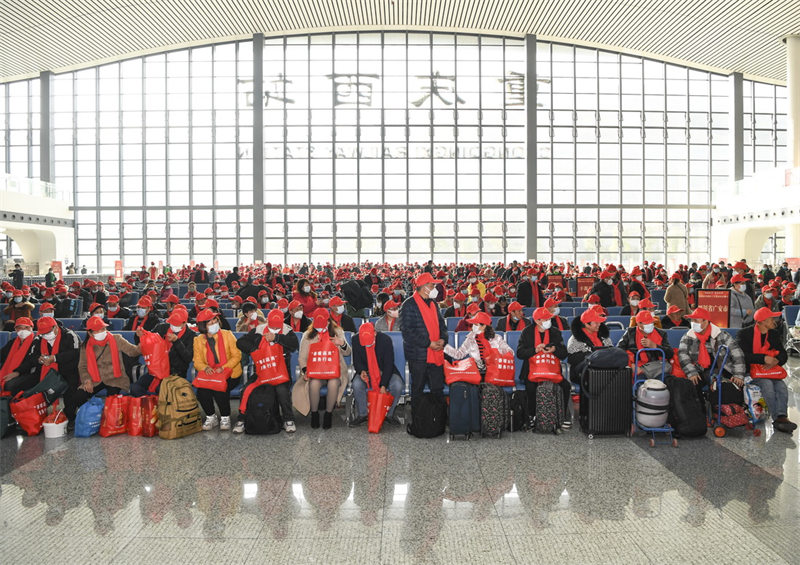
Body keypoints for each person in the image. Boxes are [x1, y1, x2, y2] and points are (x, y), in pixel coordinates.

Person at [235, 309, 299, 434]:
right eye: (272, 325)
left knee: (282, 391)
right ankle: (242, 419)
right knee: (246, 389)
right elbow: (240, 342)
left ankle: (288, 419)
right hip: (262, 372)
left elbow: (294, 344)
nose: (275, 327)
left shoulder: (287, 330)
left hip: (281, 373)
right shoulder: (259, 330)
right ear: (268, 321)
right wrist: (255, 350)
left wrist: (277, 338)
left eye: (277, 325)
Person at [736, 308, 795, 434]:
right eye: (771, 319)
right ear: (762, 321)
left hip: (770, 371)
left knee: (782, 387)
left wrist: (776, 360)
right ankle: (777, 419)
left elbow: (783, 353)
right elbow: (741, 355)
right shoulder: (744, 334)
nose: (774, 321)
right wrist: (763, 359)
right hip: (751, 371)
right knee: (767, 384)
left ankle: (782, 416)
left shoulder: (773, 334)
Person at [677, 307, 746, 405]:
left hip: (723, 369)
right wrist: (691, 372)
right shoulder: (688, 336)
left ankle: (728, 413)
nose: (693, 323)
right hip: (700, 370)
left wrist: (738, 375)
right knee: (692, 386)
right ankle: (702, 413)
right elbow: (683, 355)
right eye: (692, 320)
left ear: (705, 322)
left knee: (730, 387)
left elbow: (737, 353)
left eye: (696, 320)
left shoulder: (722, 335)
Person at [399, 273, 448, 410]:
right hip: (418, 356)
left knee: (437, 389)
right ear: (425, 287)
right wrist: (428, 343)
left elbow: (442, 325)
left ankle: (438, 420)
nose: (435, 288)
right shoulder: (408, 305)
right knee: (418, 389)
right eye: (433, 285)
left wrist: (443, 340)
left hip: (436, 353)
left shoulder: (434, 304)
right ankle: (419, 421)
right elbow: (407, 332)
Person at [516, 307, 570, 427]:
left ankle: (561, 415)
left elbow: (564, 353)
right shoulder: (527, 332)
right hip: (531, 370)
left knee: (566, 386)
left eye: (549, 318)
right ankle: (533, 416)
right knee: (531, 386)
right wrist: (535, 350)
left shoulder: (555, 332)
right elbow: (520, 353)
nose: (548, 321)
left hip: (552, 370)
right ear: (537, 320)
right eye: (545, 319)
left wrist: (554, 349)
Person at [297, 309, 351, 429]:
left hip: (335, 371)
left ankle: (328, 413)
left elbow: (348, 352)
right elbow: (302, 358)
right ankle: (314, 413)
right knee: (314, 384)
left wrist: (341, 343)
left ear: (328, 321)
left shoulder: (337, 332)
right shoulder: (307, 335)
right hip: (315, 371)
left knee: (333, 383)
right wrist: (305, 371)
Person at [75, 317, 140, 413]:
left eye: (103, 329)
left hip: (115, 377)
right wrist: (87, 380)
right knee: (79, 396)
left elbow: (133, 351)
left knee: (112, 400)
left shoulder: (116, 339)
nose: (101, 332)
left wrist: (142, 343)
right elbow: (82, 366)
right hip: (95, 379)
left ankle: (109, 421)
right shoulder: (86, 346)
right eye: (97, 330)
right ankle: (89, 416)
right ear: (90, 333)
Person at [193, 308, 242, 431]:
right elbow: (197, 361)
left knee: (220, 388)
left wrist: (223, 368)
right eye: (211, 322)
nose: (215, 323)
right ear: (203, 326)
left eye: (215, 320)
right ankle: (211, 417)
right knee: (202, 392)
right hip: (210, 373)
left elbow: (237, 355)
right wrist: (205, 367)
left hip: (231, 372)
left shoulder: (227, 334)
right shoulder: (198, 340)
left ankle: (225, 417)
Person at [130, 307, 196, 395]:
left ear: (184, 323)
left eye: (176, 324)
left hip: (175, 373)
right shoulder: (161, 328)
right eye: (172, 323)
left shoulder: (191, 335)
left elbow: (188, 358)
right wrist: (140, 336)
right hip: (156, 370)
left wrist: (177, 341)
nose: (173, 326)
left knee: (161, 389)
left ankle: (162, 407)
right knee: (135, 388)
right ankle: (149, 404)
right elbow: (148, 342)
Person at [350, 322, 404, 427]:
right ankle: (363, 414)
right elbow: (357, 361)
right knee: (356, 384)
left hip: (385, 371)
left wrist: (383, 384)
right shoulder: (355, 340)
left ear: (375, 333)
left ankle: (389, 414)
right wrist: (362, 371)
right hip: (367, 371)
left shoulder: (385, 340)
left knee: (397, 385)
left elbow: (389, 364)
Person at [444, 311, 513, 376]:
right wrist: (444, 347)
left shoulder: (497, 338)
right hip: (477, 372)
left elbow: (511, 352)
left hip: (495, 372)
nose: (473, 326)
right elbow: (459, 355)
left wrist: (495, 354)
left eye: (475, 324)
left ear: (484, 326)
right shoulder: (470, 339)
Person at [617, 311, 673, 379]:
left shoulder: (661, 333)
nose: (650, 324)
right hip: (638, 369)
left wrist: (655, 346)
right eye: (647, 323)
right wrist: (631, 365)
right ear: (639, 323)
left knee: (666, 382)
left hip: (658, 369)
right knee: (640, 384)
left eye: (651, 322)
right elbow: (619, 351)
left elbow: (670, 353)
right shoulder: (630, 333)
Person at [566, 307, 614, 381]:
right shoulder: (575, 339)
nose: (599, 324)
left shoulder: (604, 337)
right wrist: (594, 356)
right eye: (596, 322)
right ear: (586, 324)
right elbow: (573, 359)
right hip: (585, 372)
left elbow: (611, 351)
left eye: (600, 322)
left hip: (604, 368)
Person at [0, 317, 39, 396]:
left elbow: (32, 362)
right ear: (15, 329)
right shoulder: (12, 342)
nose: (23, 330)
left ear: (32, 328)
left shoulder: (36, 342)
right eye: (20, 328)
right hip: (11, 371)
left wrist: (17, 372)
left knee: (9, 385)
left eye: (26, 327)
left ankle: (10, 404)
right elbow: (2, 354)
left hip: (29, 373)